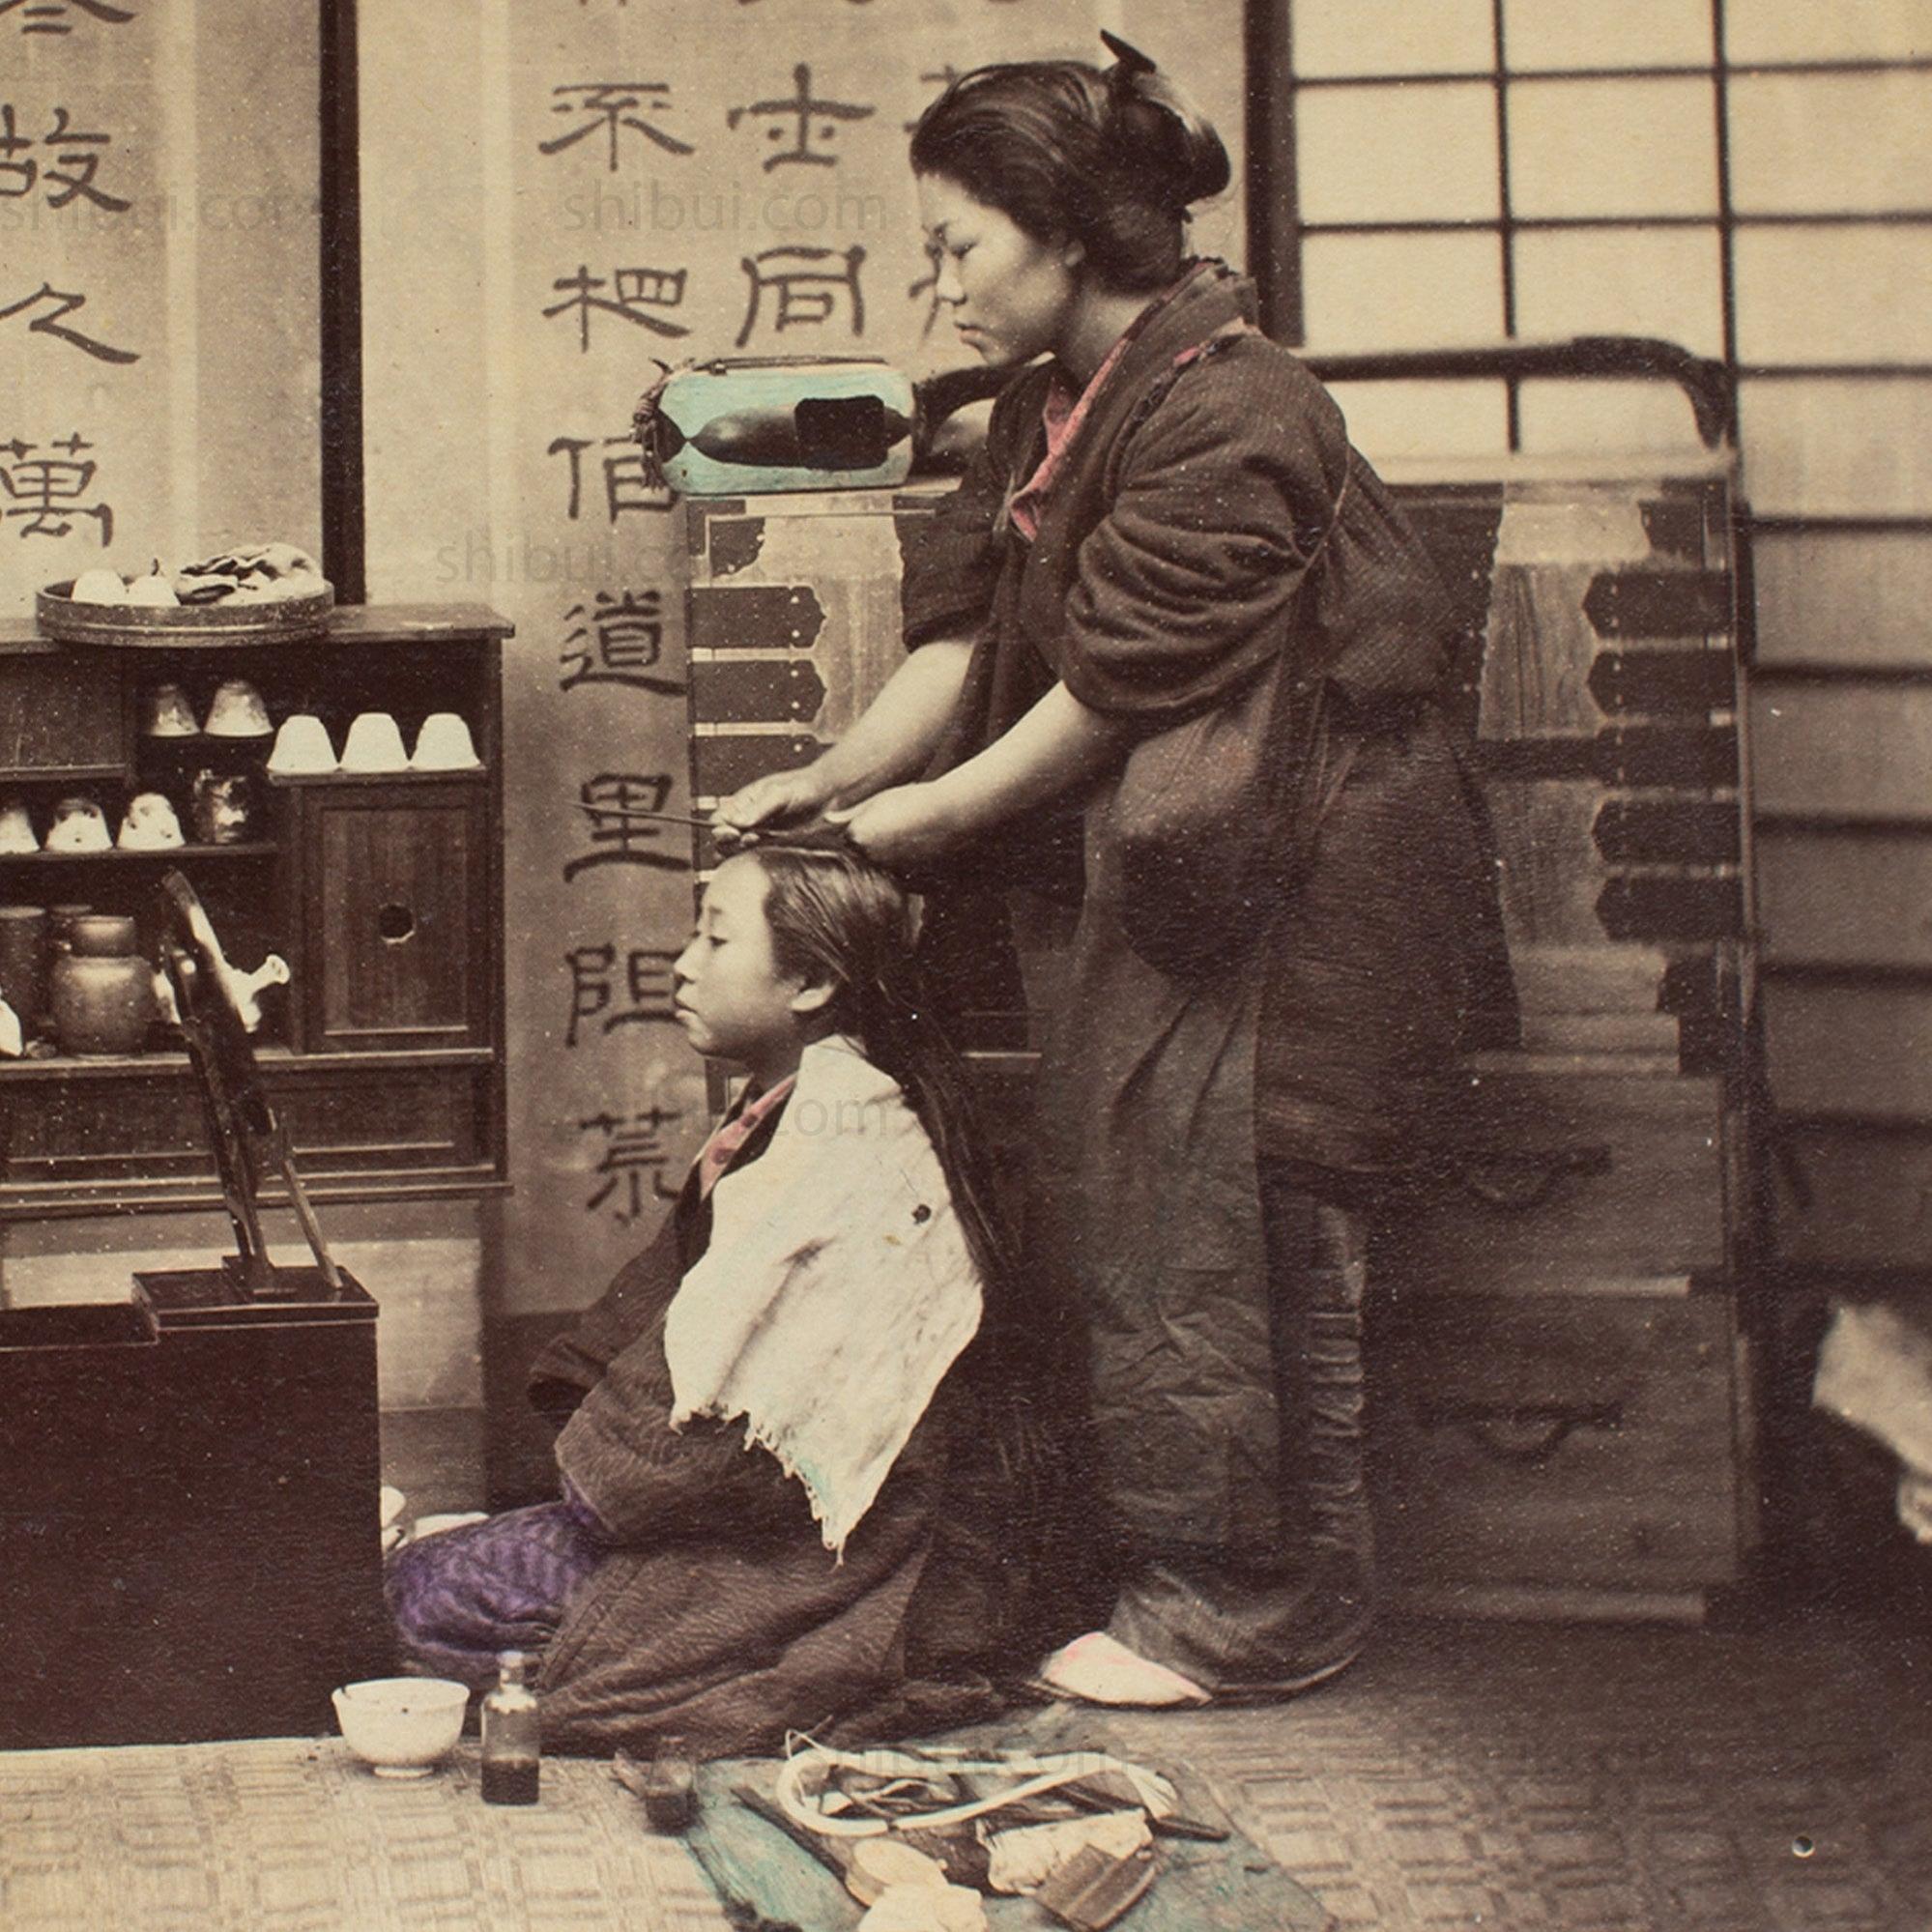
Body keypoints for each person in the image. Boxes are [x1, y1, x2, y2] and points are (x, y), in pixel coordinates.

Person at [718, 38, 1515, 1707]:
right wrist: (840, 773)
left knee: (1255, 1232)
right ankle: (1192, 1578)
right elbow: (972, 637)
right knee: (1155, 1224)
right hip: (1187, 860)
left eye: (958, 243)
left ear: (1067, 232)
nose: (932, 279)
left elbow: (1110, 685)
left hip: (1303, 876)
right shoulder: (1044, 404)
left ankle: (1262, 1610)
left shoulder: (1239, 403)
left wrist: (923, 827)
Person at [387, 846, 1041, 1755]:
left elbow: (711, 1447)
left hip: (856, 1560)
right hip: (773, 1521)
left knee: (426, 1595)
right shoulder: (805, 1106)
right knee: (423, 1567)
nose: (684, 962)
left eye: (715, 937)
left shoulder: (841, 1148)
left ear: (810, 980)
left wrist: (607, 1484)